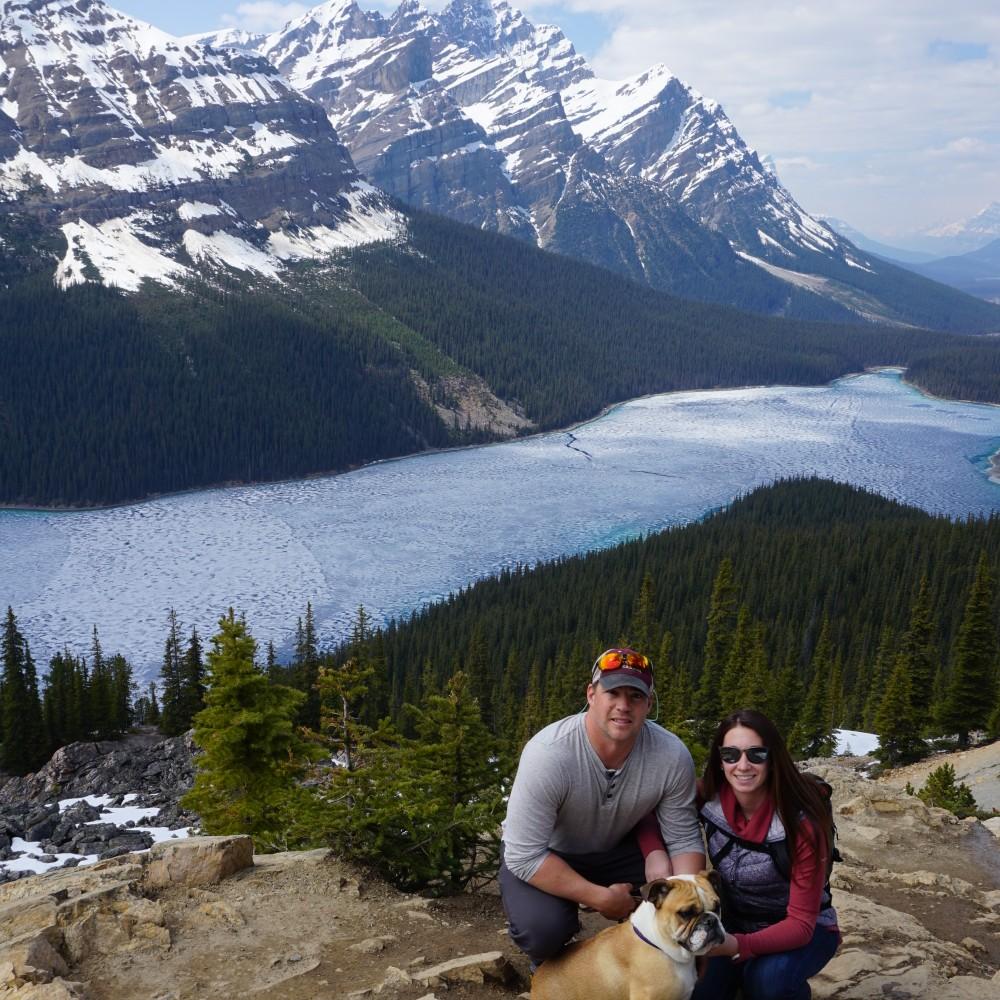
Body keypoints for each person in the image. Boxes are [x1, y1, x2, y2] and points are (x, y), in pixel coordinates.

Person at [499, 647, 705, 967]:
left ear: (648, 704)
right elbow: (523, 854)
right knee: (542, 930)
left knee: (681, 892)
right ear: (592, 694)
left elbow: (683, 838)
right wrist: (600, 898)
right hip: (547, 853)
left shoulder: (671, 755)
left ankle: (659, 958)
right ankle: (554, 968)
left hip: (617, 850)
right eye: (613, 693)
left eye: (635, 696)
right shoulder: (549, 754)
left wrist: (681, 897)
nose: (624, 706)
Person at [692, 708, 840, 1000]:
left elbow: (800, 926)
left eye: (756, 754)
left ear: (773, 759)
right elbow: (654, 811)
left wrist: (739, 946)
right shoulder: (708, 797)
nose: (743, 765)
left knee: (767, 983)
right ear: (719, 761)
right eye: (731, 755)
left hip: (804, 931)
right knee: (696, 987)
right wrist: (654, 854)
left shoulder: (801, 825)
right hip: (734, 923)